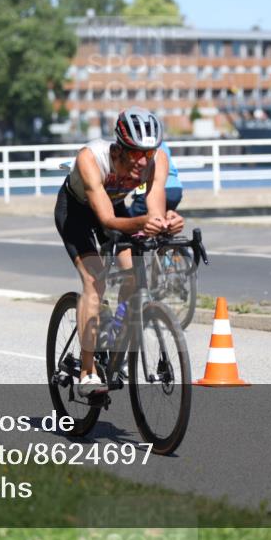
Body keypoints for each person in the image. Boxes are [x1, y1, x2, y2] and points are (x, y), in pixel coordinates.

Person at [54, 108, 184, 396]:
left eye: (148, 153)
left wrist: (166, 223)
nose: (143, 160)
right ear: (120, 149)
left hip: (116, 208)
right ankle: (87, 373)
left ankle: (114, 350)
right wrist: (143, 223)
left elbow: (154, 207)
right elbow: (107, 222)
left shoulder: (156, 160)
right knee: (94, 281)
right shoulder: (91, 158)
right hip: (78, 212)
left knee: (134, 277)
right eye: (136, 153)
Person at [128, 140, 182, 216]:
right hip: (175, 188)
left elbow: (145, 172)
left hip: (155, 186)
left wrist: (138, 195)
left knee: (134, 216)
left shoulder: (143, 145)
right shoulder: (161, 144)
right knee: (163, 217)